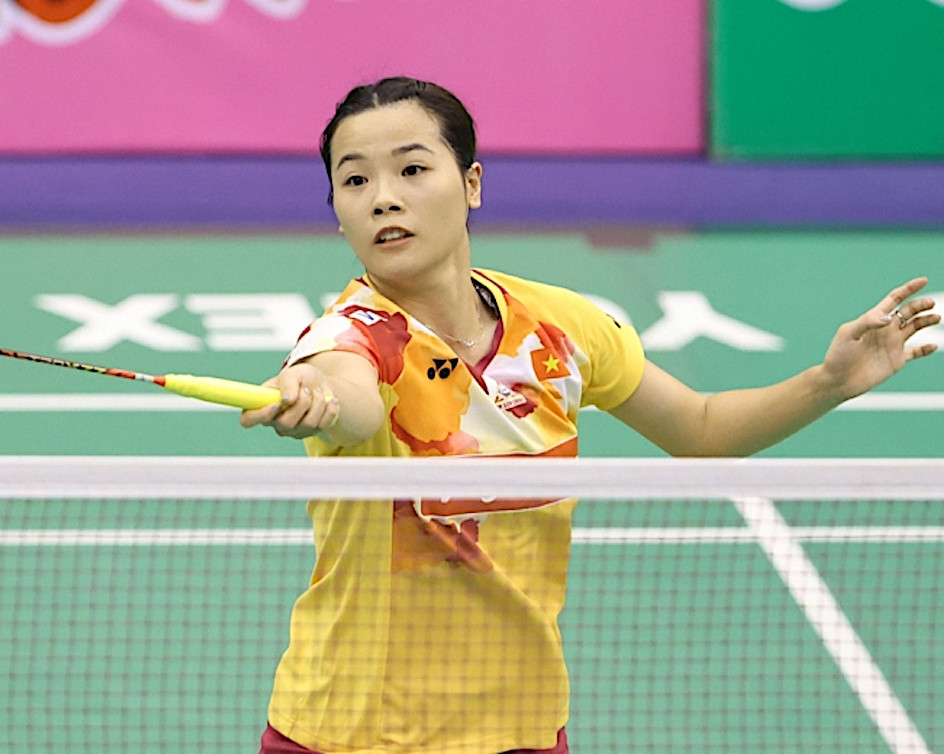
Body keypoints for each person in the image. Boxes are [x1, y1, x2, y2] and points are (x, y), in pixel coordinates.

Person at [239, 76, 938, 754]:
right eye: (355, 181)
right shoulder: (350, 337)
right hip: (354, 733)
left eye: (412, 169)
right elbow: (351, 399)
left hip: (522, 725)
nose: (383, 198)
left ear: (472, 184)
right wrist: (316, 396)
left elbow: (700, 429)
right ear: (337, 210)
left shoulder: (560, 328)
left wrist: (828, 383)